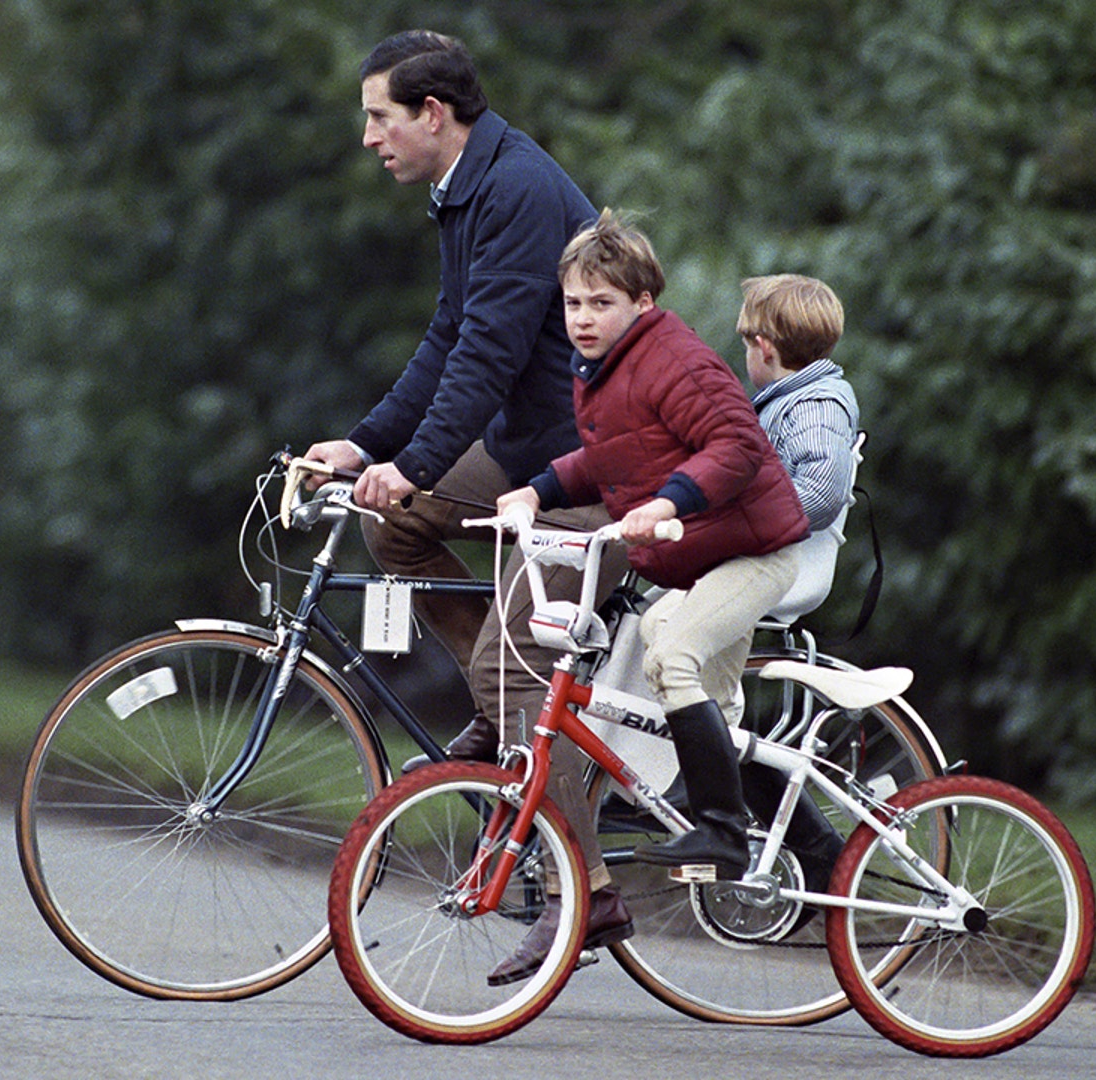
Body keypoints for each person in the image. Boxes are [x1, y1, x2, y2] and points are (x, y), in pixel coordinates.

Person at [302, 30, 632, 978]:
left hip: (594, 469)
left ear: (432, 115)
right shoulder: (466, 188)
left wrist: (415, 459)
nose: (369, 137)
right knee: (394, 522)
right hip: (533, 451)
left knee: (514, 658)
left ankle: (591, 893)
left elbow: (484, 356)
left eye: (379, 117)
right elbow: (448, 336)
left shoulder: (516, 191)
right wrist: (368, 447)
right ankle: (503, 713)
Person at [496, 209, 810, 954]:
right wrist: (537, 488)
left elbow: (736, 447)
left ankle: (723, 833)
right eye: (573, 303)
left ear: (642, 302)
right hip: (707, 556)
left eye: (601, 303)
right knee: (705, 697)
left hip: (753, 550)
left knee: (671, 654)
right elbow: (610, 461)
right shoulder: (605, 371)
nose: (582, 318)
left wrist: (668, 502)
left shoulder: (676, 359)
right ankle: (824, 852)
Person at [734, 272, 861, 890]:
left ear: (763, 346)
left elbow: (822, 490)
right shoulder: (790, 399)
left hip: (782, 565)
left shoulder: (812, 406)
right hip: (765, 553)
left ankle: (694, 772)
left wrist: (732, 526)